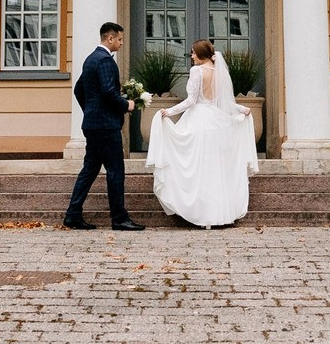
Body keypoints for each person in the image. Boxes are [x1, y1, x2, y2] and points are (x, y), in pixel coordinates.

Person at [146, 39, 257, 228]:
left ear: (200, 54)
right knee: (213, 169)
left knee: (197, 167)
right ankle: (217, 215)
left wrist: (169, 112)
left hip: (199, 120)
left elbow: (191, 100)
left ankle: (202, 214)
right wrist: (241, 109)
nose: (191, 56)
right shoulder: (218, 72)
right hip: (216, 122)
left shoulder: (197, 71)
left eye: (193, 53)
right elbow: (224, 102)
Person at [65, 21, 143, 231]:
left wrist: (91, 110)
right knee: (115, 170)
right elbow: (109, 92)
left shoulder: (91, 59)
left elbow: (79, 90)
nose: (121, 43)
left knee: (90, 170)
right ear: (110, 38)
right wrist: (126, 105)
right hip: (106, 126)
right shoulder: (106, 61)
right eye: (119, 39)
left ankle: (72, 215)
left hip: (92, 124)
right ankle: (119, 218)